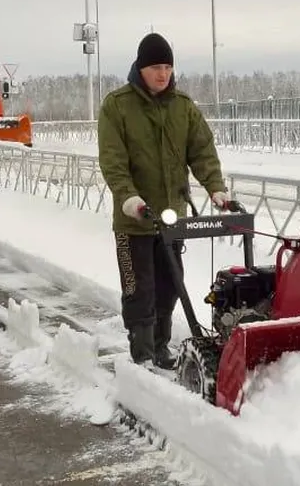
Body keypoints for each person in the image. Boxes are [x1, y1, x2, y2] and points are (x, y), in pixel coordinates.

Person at [97, 32, 233, 369]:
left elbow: (202, 151)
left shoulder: (182, 107)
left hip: (172, 218)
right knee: (139, 288)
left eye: (168, 67)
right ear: (141, 68)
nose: (163, 74)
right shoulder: (117, 106)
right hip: (134, 220)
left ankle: (160, 346)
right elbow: (113, 161)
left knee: (170, 286)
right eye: (156, 67)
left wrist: (215, 187)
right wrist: (128, 198)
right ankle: (142, 352)